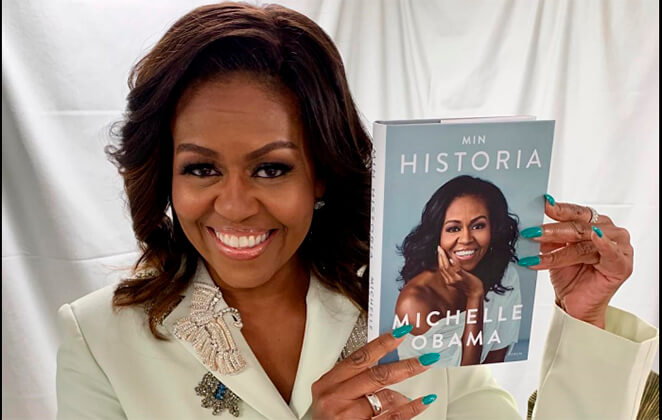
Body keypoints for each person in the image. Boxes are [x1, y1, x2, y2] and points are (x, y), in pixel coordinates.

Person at [55, 2, 658, 419]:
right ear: (164, 174)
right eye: (201, 168)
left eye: (271, 169)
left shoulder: (411, 311)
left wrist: (586, 318)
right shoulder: (99, 340)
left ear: (320, 173)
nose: (234, 204)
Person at [395, 175, 522, 366]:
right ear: (437, 235)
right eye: (453, 229)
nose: (466, 239)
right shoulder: (415, 301)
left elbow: (495, 361)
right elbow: (464, 375)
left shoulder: (506, 275)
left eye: (478, 226)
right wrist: (475, 295)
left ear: (494, 229)